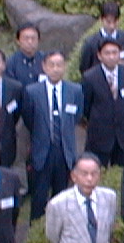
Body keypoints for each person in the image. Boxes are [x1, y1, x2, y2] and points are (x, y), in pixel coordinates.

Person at [23, 51, 82, 220]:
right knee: (39, 197)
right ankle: (36, 230)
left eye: (59, 65)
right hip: (42, 151)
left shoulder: (75, 90)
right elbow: (29, 119)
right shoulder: (32, 91)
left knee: (62, 197)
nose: (56, 69)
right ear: (44, 67)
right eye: (52, 65)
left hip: (64, 151)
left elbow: (77, 116)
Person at [82, 38, 124, 167]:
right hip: (99, 136)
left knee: (121, 171)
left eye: (114, 53)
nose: (111, 57)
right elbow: (86, 106)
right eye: (107, 53)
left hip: (122, 136)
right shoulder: (90, 77)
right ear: (99, 55)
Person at [78, 1, 124, 73]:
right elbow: (84, 68)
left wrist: (123, 64)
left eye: (115, 22)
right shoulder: (91, 42)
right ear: (102, 20)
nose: (112, 26)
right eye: (108, 22)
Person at [6, 22, 46, 87]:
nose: (30, 42)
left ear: (38, 40)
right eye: (26, 38)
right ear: (18, 41)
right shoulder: (10, 63)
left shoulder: (46, 60)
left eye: (33, 38)